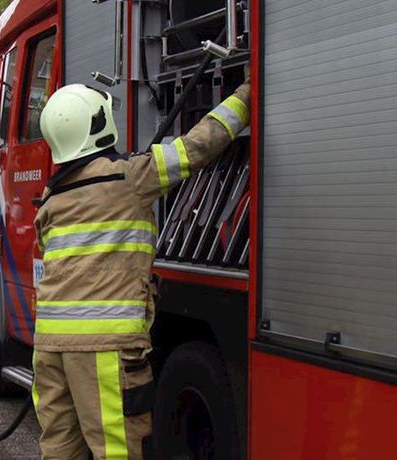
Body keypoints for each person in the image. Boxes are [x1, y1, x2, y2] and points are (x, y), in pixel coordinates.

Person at [31, 71, 250, 460]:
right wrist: (247, 95)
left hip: (49, 348)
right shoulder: (130, 178)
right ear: (97, 125)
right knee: (119, 452)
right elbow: (198, 146)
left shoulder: (50, 199)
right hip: (104, 348)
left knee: (60, 451)